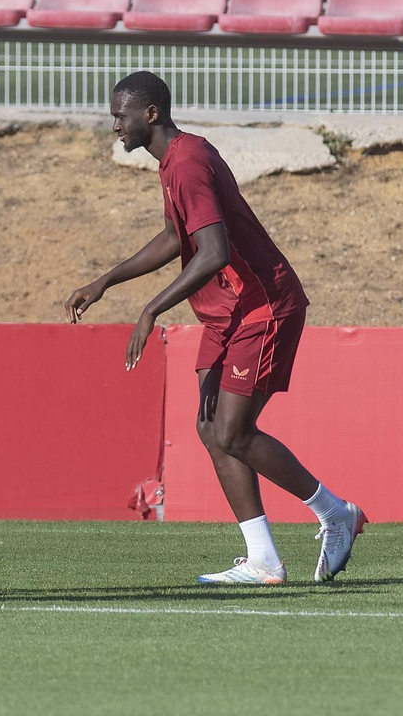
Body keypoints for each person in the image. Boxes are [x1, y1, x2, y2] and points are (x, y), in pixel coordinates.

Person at [64, 71, 365, 585]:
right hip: (226, 313)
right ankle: (263, 560)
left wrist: (151, 309)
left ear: (150, 114)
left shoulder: (187, 162)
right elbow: (172, 238)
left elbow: (215, 252)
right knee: (210, 429)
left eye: (121, 115)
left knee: (233, 431)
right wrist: (106, 281)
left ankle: (336, 512)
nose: (114, 125)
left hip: (261, 305)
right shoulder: (176, 159)